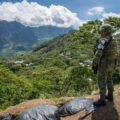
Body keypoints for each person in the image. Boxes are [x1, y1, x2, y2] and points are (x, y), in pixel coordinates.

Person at [92, 24, 117, 107]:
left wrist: (94, 63)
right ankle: (110, 95)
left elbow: (98, 53)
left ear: (105, 31)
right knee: (109, 79)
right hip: (112, 63)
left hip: (104, 64)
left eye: (102, 31)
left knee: (101, 80)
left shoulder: (103, 40)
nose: (101, 32)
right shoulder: (114, 40)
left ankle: (102, 100)